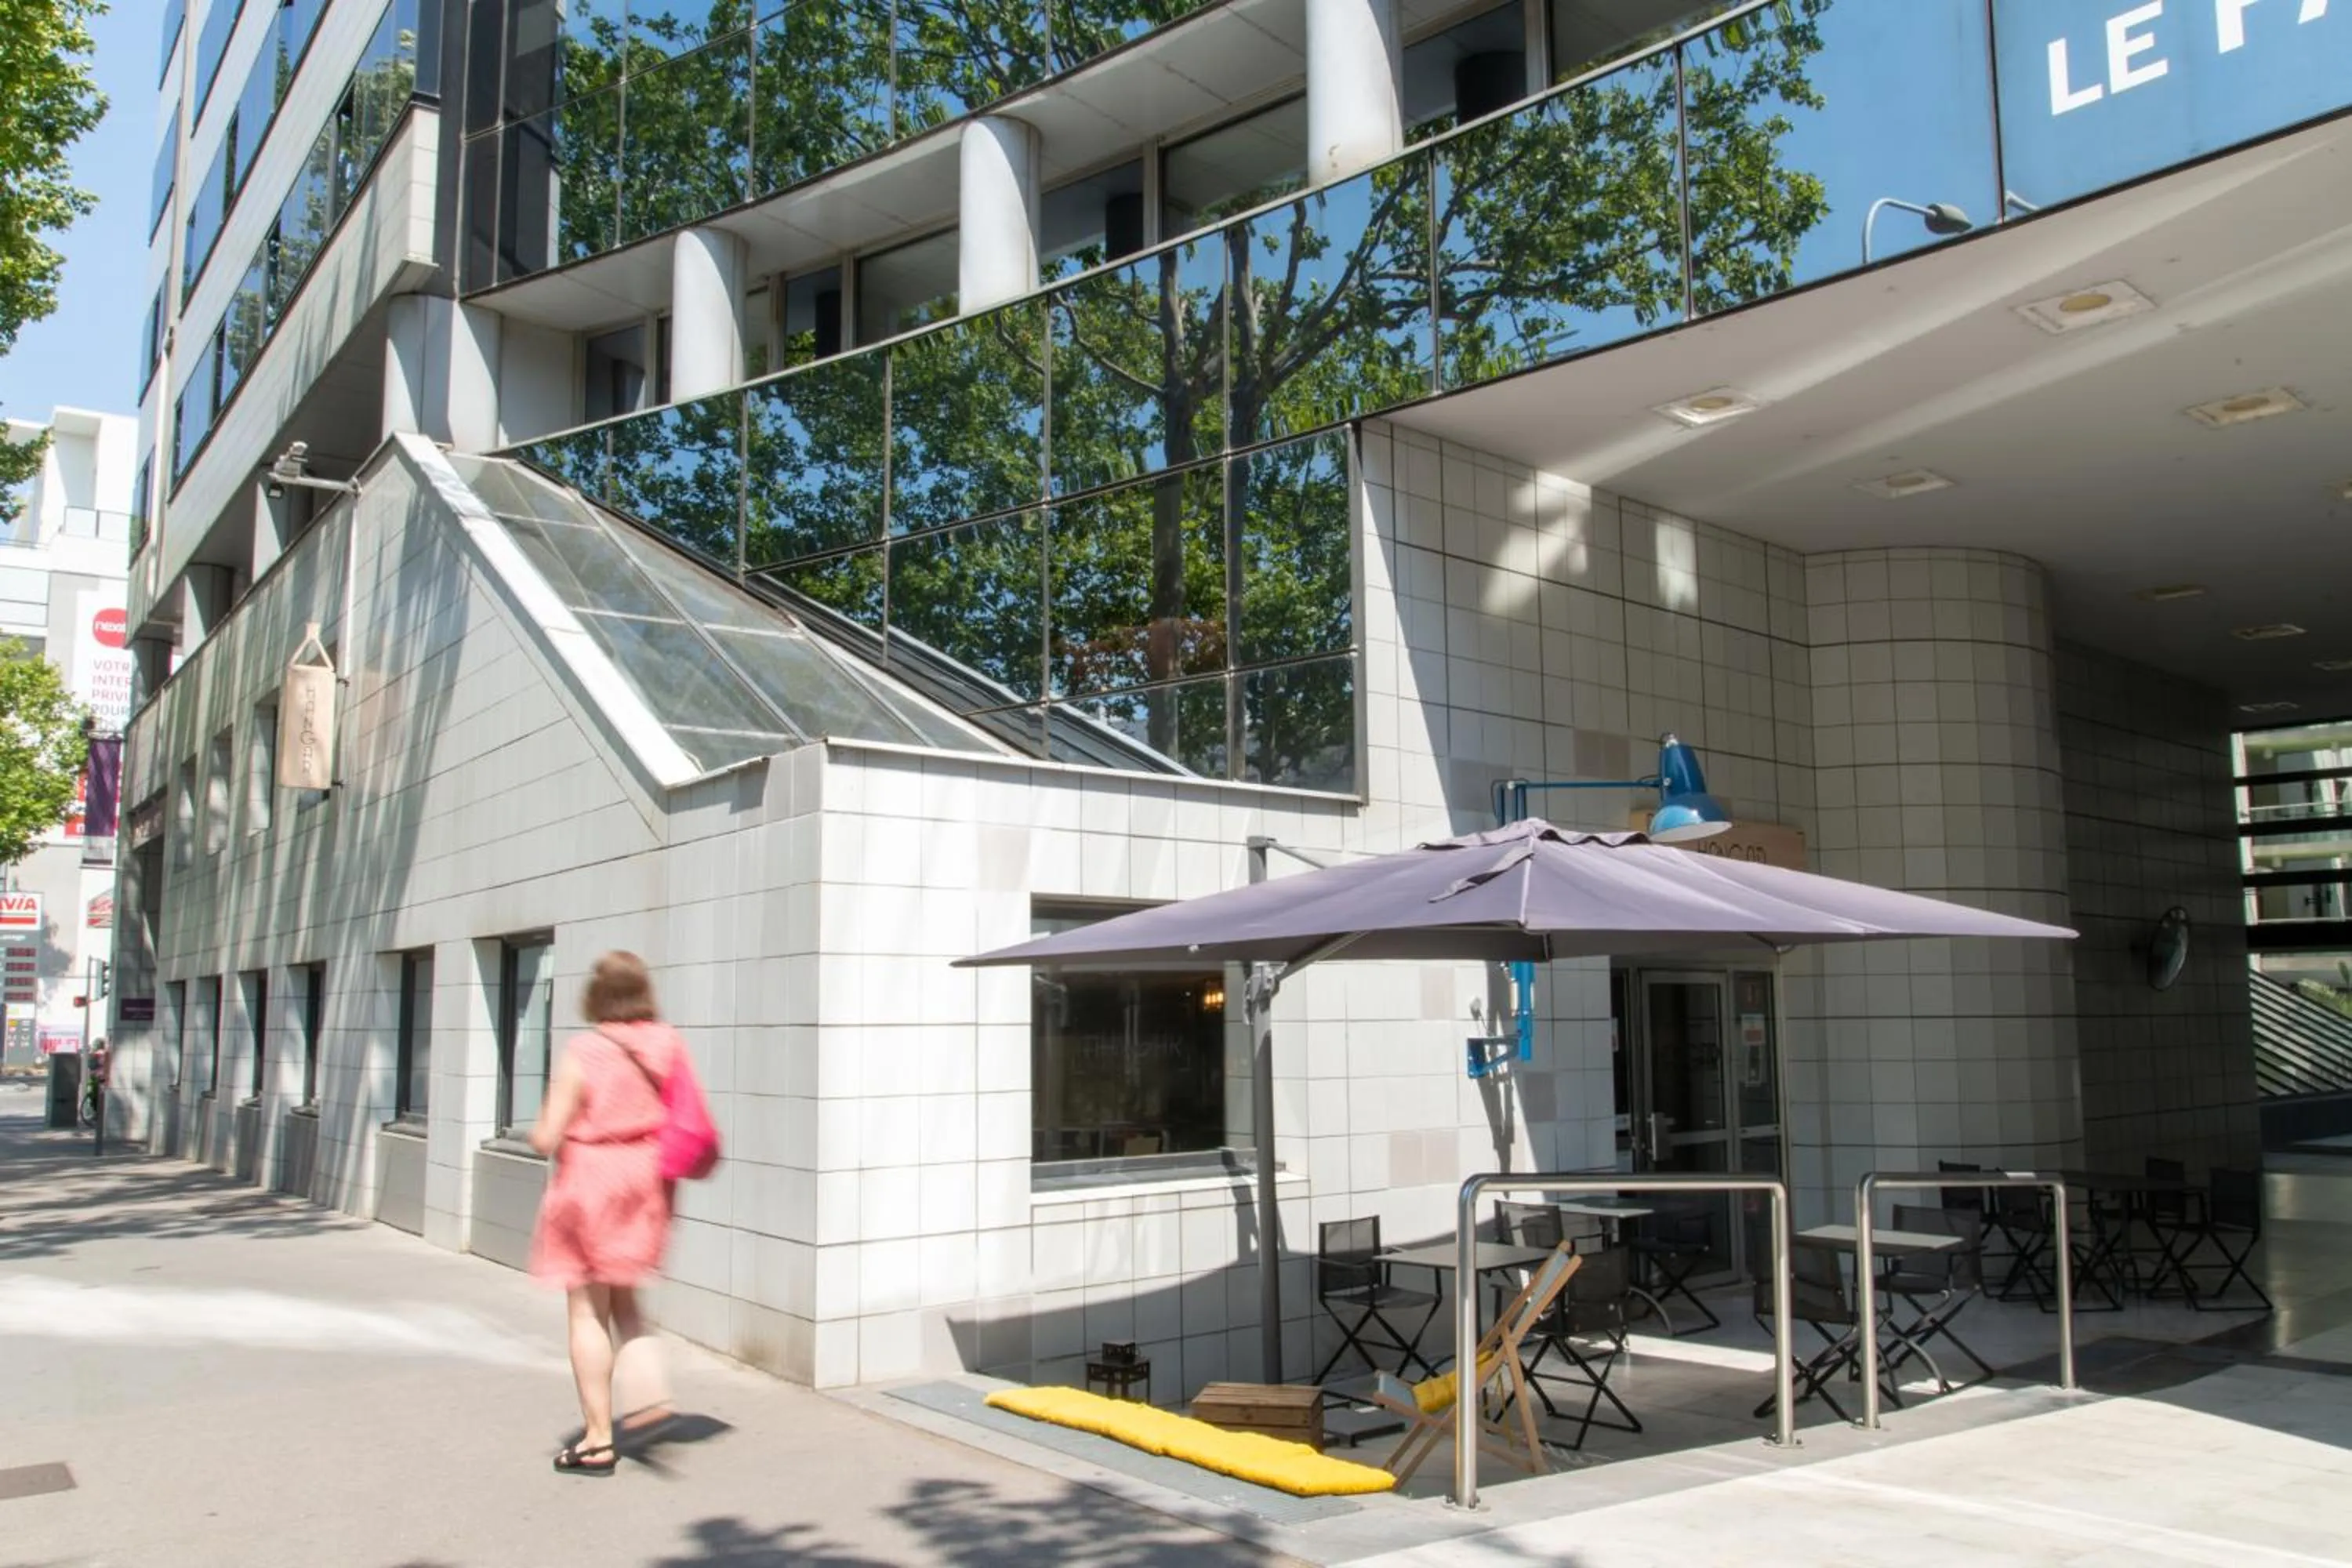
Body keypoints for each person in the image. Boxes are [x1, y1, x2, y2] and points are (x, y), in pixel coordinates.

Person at [528, 952, 687, 1476]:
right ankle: (650, 1389)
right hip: (646, 1182)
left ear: (596, 997)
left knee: (587, 1311)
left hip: (591, 1181)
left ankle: (598, 1440)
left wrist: (552, 1128)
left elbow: (545, 1136)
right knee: (627, 1298)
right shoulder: (668, 1043)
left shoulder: (587, 1050)